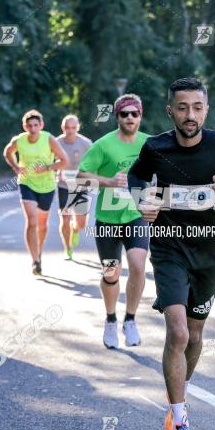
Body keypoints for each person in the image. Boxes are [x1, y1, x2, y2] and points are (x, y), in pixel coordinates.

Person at [128, 77, 215, 430]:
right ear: (170, 110)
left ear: (206, 110)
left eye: (197, 107)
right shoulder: (156, 147)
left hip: (210, 255)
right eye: (182, 107)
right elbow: (137, 177)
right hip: (168, 248)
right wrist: (143, 200)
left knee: (195, 336)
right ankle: (181, 422)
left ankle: (176, 398)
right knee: (178, 332)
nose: (190, 115)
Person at [77, 94, 149, 350]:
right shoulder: (103, 145)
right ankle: (110, 320)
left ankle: (130, 319)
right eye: (124, 114)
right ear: (117, 117)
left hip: (136, 215)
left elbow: (168, 171)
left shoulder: (149, 144)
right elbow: (81, 177)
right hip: (108, 218)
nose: (130, 118)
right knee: (111, 272)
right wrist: (108, 181)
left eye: (134, 113)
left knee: (138, 265)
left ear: (140, 116)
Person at [3, 109, 69, 275]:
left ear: (41, 125)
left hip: (47, 185)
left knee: (42, 223)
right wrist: (16, 167)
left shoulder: (49, 139)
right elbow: (7, 152)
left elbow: (64, 161)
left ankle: (38, 250)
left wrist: (47, 167)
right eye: (29, 125)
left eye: (35, 125)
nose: (32, 129)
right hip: (27, 183)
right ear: (25, 126)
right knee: (31, 220)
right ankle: (35, 260)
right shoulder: (20, 140)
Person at [55, 115, 93, 260]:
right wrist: (55, 170)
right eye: (67, 127)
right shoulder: (56, 142)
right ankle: (68, 248)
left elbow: (96, 161)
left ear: (77, 128)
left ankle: (75, 229)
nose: (69, 131)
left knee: (81, 223)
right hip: (64, 186)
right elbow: (48, 160)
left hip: (81, 186)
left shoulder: (86, 143)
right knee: (64, 218)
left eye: (73, 128)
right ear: (62, 127)